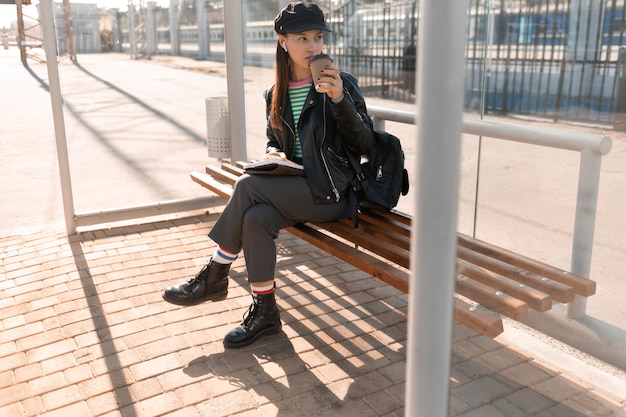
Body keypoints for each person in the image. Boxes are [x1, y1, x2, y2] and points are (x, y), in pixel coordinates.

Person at [162, 1, 374, 349]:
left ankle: (215, 273)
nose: (312, 47)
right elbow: (274, 140)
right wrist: (273, 154)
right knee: (256, 219)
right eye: (302, 38)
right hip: (296, 188)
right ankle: (265, 313)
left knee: (246, 187)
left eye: (318, 37)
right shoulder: (274, 93)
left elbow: (365, 143)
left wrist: (339, 101)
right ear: (282, 41)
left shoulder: (341, 84)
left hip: (336, 193)